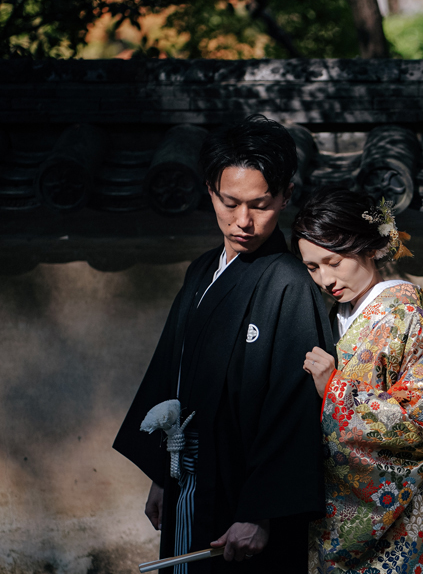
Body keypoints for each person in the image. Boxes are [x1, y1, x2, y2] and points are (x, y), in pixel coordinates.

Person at [113, 114, 336, 573]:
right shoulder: (200, 272)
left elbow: (293, 409)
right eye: (229, 202)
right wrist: (162, 472)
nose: (244, 222)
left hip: (244, 496)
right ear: (210, 190)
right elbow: (171, 375)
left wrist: (261, 510)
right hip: (187, 477)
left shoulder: (289, 283)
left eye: (260, 204)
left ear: (287, 196)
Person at [292, 188, 423, 574]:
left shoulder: (400, 318)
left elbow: (419, 421)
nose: (326, 278)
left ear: (370, 246)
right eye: (312, 267)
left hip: (403, 519)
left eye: (334, 261)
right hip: (353, 504)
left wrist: (333, 391)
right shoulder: (340, 315)